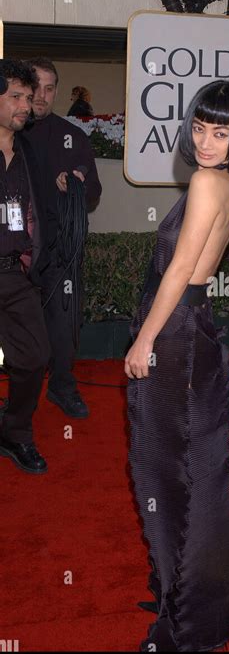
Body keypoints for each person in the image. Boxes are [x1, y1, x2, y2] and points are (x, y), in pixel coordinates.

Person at [125, 80, 229, 652]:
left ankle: (182, 620)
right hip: (197, 332)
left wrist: (143, 341)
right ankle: (185, 596)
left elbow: (180, 270)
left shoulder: (209, 181)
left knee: (163, 472)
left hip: (176, 334)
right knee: (193, 472)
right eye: (200, 128)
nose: (206, 142)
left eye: (221, 131)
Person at [26, 57, 102, 420]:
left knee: (64, 321)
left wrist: (77, 183)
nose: (42, 96)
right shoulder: (10, 131)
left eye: (50, 88)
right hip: (16, 253)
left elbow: (94, 191)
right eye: (35, 87)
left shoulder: (73, 138)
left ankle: (61, 385)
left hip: (61, 252)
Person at [0, 59, 51, 475]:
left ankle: (14, 433)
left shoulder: (28, 151)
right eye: (15, 97)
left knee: (35, 356)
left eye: (27, 98)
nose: (25, 106)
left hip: (13, 273)